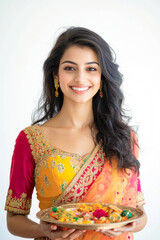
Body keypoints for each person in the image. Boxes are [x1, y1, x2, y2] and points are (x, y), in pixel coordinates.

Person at [5, 26, 147, 240]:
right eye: (70, 68)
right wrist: (41, 231)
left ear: (102, 76)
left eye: (91, 69)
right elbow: (14, 219)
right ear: (56, 74)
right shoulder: (31, 140)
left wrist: (128, 225)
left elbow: (140, 213)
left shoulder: (124, 138)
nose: (80, 78)